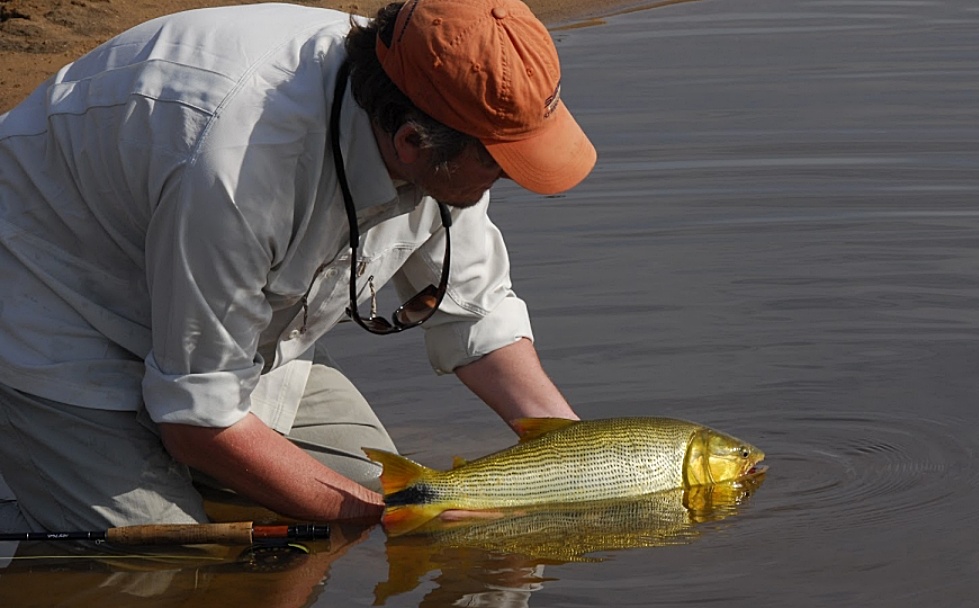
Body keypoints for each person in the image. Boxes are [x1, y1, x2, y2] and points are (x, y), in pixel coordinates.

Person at [0, 0, 596, 533]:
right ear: (414, 143)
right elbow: (199, 421)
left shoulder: (438, 89)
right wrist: (386, 517)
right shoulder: (240, 171)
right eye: (497, 165)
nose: (512, 178)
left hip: (227, 333)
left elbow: (475, 313)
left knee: (385, 489)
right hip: (56, 305)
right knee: (161, 572)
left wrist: (583, 456)